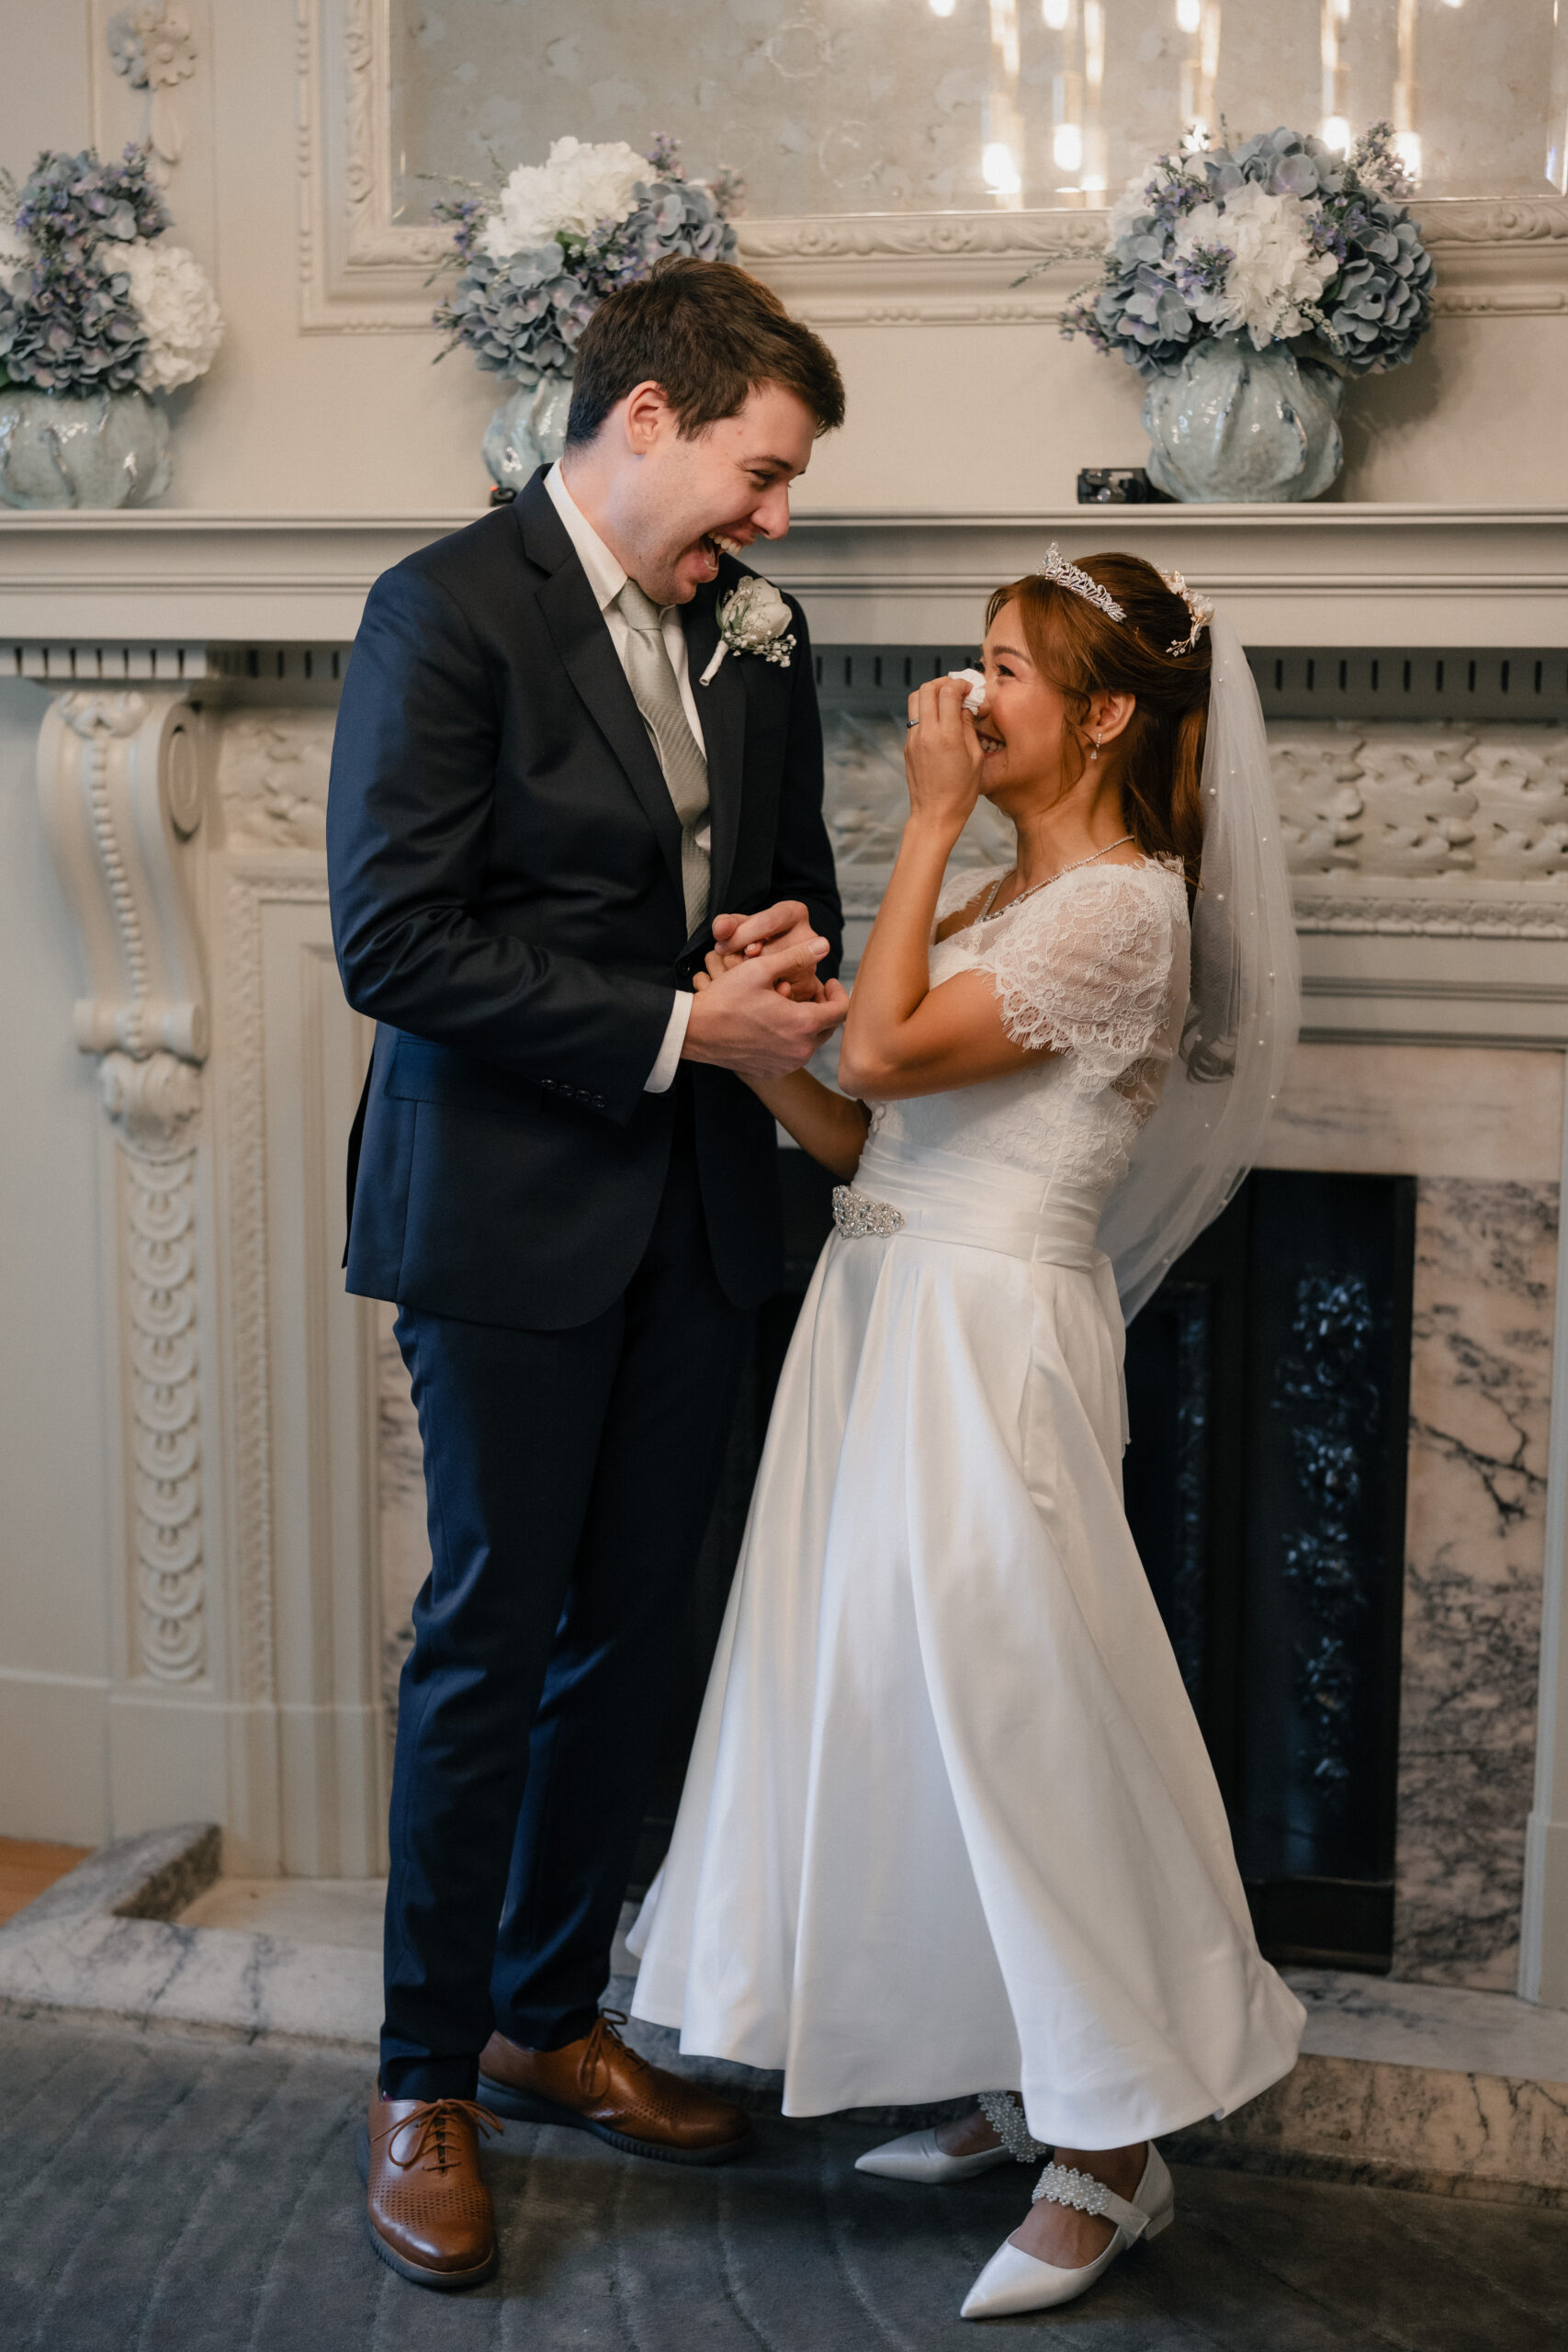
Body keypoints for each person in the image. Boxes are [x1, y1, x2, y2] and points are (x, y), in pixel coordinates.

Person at [628, 548, 1307, 2320]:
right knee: (899, 1713)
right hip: (882, 1314)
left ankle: (1119, 2149)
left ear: (1104, 713)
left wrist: (919, 824)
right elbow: (868, 1132)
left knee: (1024, 1717)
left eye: (1006, 666)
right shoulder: (1019, 896)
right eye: (976, 655)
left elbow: (891, 1053)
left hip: (988, 1342)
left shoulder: (1122, 913)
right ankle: (1019, 2073)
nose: (968, 692)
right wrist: (757, 1046)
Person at [326, 256, 848, 2291]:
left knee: (640, 1635)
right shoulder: (443, 612)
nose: (775, 520)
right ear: (646, 418)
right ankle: (422, 2080)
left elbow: (782, 884)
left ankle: (547, 2018)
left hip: (701, 1211)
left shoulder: (758, 634)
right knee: (488, 1642)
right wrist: (675, 1025)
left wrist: (782, 965)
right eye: (760, 472)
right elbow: (395, 941)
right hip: (506, 1215)